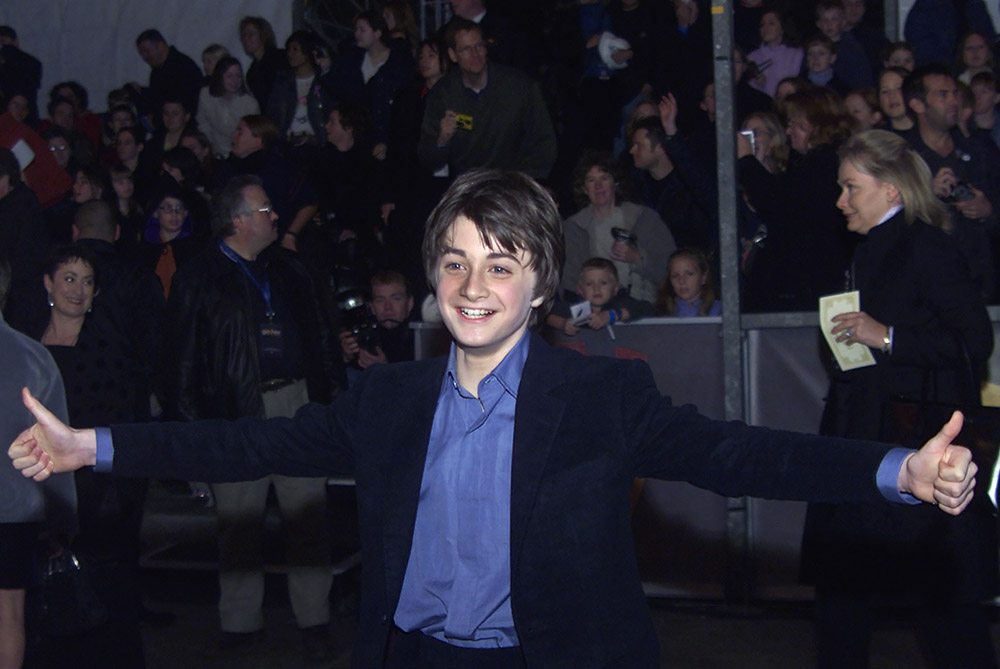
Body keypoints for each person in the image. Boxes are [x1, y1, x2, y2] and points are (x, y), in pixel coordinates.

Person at [7, 167, 983, 667]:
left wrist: (895, 469)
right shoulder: (387, 401)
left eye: (500, 263)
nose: (474, 286)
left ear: (539, 282)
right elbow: (244, 440)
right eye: (456, 261)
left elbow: (731, 452)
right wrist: (89, 444)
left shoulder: (597, 397)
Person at [802, 128, 998, 669]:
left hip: (912, 442)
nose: (841, 201)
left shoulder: (926, 245)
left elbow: (974, 341)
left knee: (941, 599)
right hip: (863, 436)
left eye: (850, 187)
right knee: (845, 592)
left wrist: (883, 336)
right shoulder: (867, 250)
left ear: (890, 189)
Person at [160, 175, 336, 660]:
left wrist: (329, 403)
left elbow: (322, 336)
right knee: (238, 524)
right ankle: (239, 624)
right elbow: (179, 363)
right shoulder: (198, 277)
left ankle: (315, 619)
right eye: (264, 210)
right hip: (235, 413)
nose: (274, 216)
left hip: (297, 406)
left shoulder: (291, 269)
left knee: (309, 520)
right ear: (238, 220)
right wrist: (195, 435)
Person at [32, 244, 148, 666]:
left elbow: (114, 429)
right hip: (32, 488)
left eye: (87, 282)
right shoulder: (25, 347)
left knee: (101, 607)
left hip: (91, 496)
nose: (78, 290)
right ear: (48, 283)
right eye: (69, 278)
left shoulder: (106, 350)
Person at [0, 258, 75, 669]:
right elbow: (56, 447)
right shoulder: (34, 357)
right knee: (9, 613)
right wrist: (64, 518)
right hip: (14, 508)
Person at [738, 87, 857, 311]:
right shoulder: (811, 163)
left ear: (817, 125)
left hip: (801, 294)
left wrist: (746, 160)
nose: (789, 131)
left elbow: (776, 201)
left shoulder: (823, 165)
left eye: (797, 124)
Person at [417, 18, 557, 180]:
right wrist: (442, 140)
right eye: (467, 49)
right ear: (453, 55)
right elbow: (428, 157)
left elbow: (544, 143)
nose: (475, 54)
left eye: (479, 46)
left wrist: (523, 183)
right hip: (469, 186)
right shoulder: (443, 94)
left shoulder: (518, 86)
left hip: (513, 184)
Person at [563, 150, 675, 303]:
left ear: (615, 183)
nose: (598, 186)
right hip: (593, 313)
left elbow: (671, 270)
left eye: (604, 178)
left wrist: (637, 258)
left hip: (642, 309)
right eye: (591, 180)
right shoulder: (573, 228)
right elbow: (567, 282)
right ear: (584, 189)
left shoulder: (644, 218)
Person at [546, 256, 653, 335]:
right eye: (589, 284)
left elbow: (647, 308)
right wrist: (563, 324)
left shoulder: (621, 302)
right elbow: (546, 314)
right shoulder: (577, 308)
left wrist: (611, 315)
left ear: (616, 288)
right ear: (580, 290)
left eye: (603, 283)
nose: (596, 289)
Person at [132, 29, 203, 125]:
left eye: (147, 51)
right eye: (142, 54)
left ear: (161, 45)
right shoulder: (157, 70)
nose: (144, 57)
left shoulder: (183, 67)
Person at [197, 56, 260, 158]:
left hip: (240, 155)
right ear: (219, 77)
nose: (234, 81)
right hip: (213, 151)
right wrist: (209, 145)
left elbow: (251, 138)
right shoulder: (205, 95)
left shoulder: (250, 104)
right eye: (229, 76)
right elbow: (203, 123)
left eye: (238, 76)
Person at [746, 9, 803, 98]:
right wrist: (759, 84)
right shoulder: (751, 57)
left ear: (782, 28)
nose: (766, 28)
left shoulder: (797, 55)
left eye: (771, 23)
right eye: (762, 24)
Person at [656, 248, 720, 317]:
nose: (682, 281)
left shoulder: (721, 312)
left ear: (703, 278)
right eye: (675, 276)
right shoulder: (659, 314)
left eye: (689, 274)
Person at [239, 16, 286, 111]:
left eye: (250, 34)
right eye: (243, 35)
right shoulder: (251, 72)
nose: (245, 39)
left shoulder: (281, 58)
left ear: (263, 36)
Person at [878, 66, 914, 133]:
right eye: (885, 91)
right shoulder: (878, 140)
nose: (891, 95)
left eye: (898, 88)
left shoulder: (932, 129)